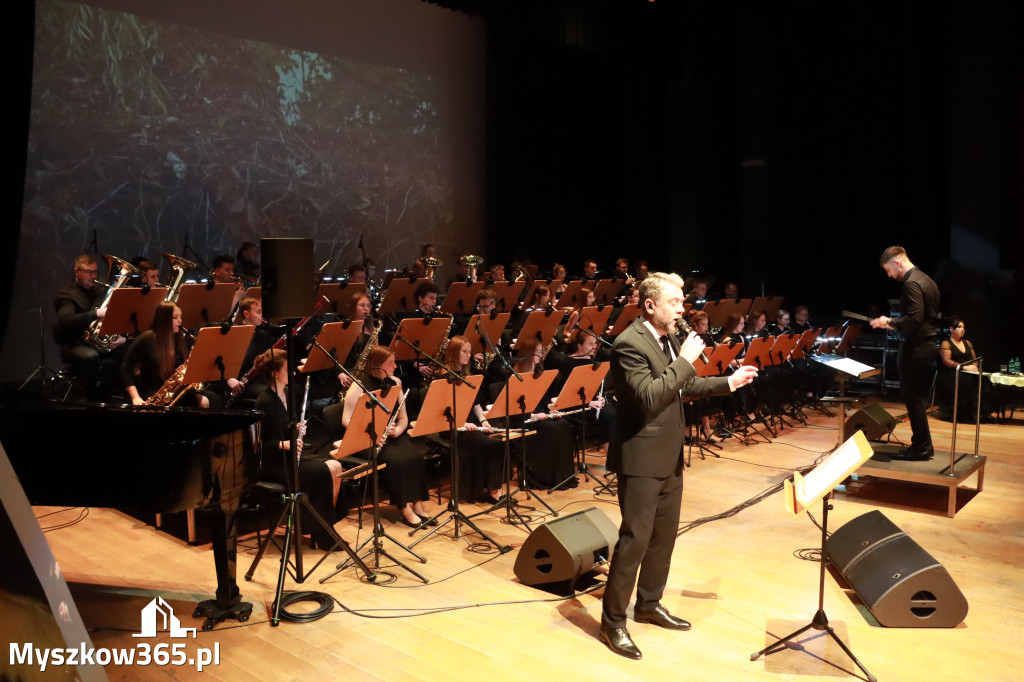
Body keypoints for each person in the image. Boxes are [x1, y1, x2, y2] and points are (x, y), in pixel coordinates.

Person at [599, 272, 756, 660]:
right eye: (675, 302)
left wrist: (727, 383)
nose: (682, 309)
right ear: (650, 305)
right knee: (635, 539)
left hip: (669, 454)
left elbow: (680, 387)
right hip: (640, 457)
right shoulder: (628, 344)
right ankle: (613, 621)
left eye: (682, 301)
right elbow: (652, 396)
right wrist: (685, 360)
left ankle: (648, 604)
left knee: (663, 538)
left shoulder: (665, 338)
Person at [253, 348, 344, 550]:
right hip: (274, 465)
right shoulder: (264, 400)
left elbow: (282, 427)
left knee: (335, 467)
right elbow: (258, 444)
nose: (293, 372)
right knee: (322, 471)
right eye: (288, 368)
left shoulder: (284, 395)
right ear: (275, 372)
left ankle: (322, 528)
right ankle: (321, 533)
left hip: (288, 459)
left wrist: (294, 429)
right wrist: (284, 444)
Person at [336, 346, 434, 527]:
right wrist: (370, 432)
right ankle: (404, 507)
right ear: (378, 365)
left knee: (416, 455)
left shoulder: (395, 382)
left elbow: (404, 417)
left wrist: (398, 430)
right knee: (397, 460)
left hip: (391, 437)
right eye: (391, 363)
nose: (396, 367)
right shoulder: (359, 386)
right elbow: (346, 420)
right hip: (368, 440)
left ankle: (418, 504)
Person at [870, 246, 940, 461]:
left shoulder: (911, 283)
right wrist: (896, 326)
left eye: (888, 270)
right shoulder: (927, 279)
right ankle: (922, 445)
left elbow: (913, 319)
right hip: (928, 346)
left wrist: (888, 321)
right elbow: (921, 319)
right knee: (917, 400)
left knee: (914, 400)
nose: (889, 275)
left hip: (916, 349)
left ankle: (922, 448)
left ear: (897, 263)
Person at [53, 254, 125, 401]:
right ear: (76, 271)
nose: (93, 276)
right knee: (91, 357)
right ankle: (89, 399)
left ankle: (124, 395)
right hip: (74, 344)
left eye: (95, 272)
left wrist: (121, 337)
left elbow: (116, 317)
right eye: (88, 272)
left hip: (96, 342)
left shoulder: (99, 291)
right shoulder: (66, 294)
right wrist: (96, 313)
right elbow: (66, 321)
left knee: (129, 349)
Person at [121, 301, 214, 408]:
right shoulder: (145, 339)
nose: (180, 321)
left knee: (210, 399)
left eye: (180, 317)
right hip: (154, 393)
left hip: (176, 391)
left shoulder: (180, 340)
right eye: (175, 317)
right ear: (163, 319)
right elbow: (125, 369)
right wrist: (135, 397)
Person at [936, 317, 993, 422]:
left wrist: (975, 367)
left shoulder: (968, 343)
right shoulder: (947, 343)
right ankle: (967, 415)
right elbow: (946, 361)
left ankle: (982, 413)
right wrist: (963, 367)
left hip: (967, 372)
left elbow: (974, 359)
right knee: (967, 381)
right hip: (951, 372)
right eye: (959, 327)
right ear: (951, 329)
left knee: (984, 381)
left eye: (963, 327)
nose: (962, 329)